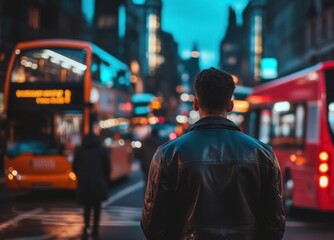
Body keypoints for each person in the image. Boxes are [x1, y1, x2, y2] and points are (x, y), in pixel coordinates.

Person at [141, 67, 285, 239]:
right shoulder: (263, 154)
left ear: (195, 103)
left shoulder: (168, 154)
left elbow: (153, 224)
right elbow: (274, 224)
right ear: (230, 105)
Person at [73, 130, 110, 240]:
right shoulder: (102, 151)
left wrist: (80, 177)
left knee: (87, 207)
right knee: (97, 207)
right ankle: (95, 231)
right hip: (98, 182)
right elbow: (107, 167)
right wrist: (105, 180)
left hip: (84, 183)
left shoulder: (79, 151)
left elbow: (74, 167)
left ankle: (86, 228)